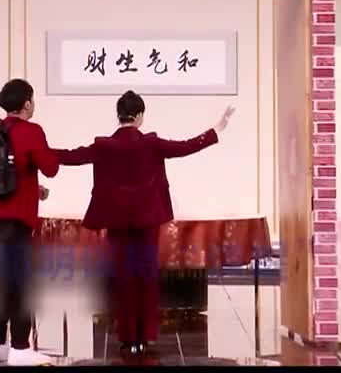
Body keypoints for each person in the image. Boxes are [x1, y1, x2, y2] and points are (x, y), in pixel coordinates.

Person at [54, 90, 235, 355]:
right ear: (139, 116)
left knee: (123, 278)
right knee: (146, 278)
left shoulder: (103, 146)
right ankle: (145, 336)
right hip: (147, 222)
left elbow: (72, 156)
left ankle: (128, 337)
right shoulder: (151, 144)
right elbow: (186, 147)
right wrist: (216, 129)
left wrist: (39, 152)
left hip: (116, 222)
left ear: (118, 115)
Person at [0, 78, 59, 366]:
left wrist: (33, 188)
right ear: (26, 103)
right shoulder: (30, 131)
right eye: (32, 99)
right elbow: (50, 167)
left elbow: (3, 175)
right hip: (16, 220)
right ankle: (21, 348)